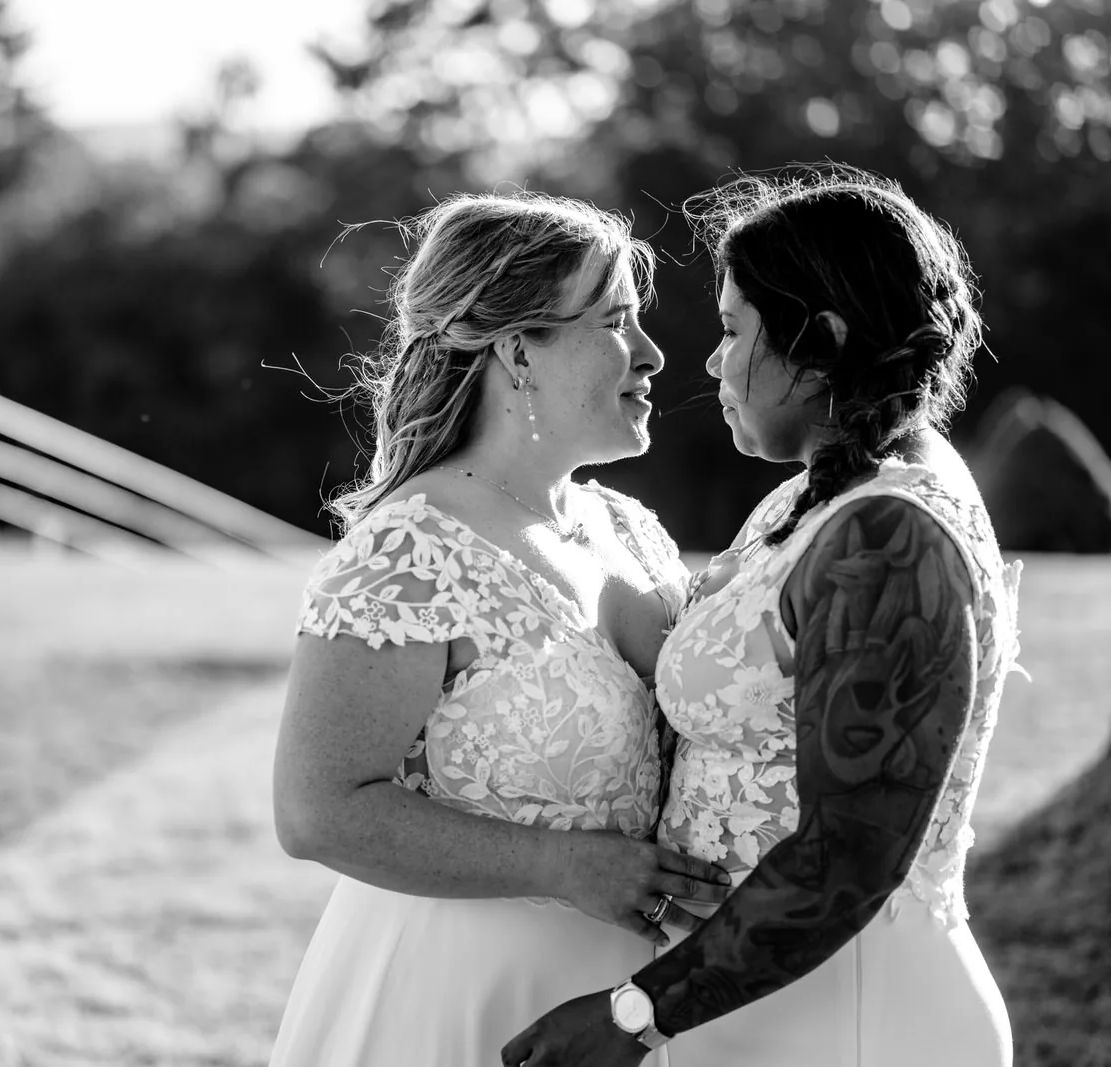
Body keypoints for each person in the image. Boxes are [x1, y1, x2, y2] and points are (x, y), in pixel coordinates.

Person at [501, 167, 1024, 1067]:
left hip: (857, 1014)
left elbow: (850, 852)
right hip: (760, 1011)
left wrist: (634, 1014)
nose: (710, 361)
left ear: (821, 340)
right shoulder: (824, 493)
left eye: (734, 329)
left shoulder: (889, 535)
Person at [269, 191, 736, 1067]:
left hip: (629, 1004)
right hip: (459, 999)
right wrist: (563, 866)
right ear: (521, 348)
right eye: (617, 322)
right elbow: (316, 810)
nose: (651, 354)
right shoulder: (410, 548)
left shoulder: (626, 528)